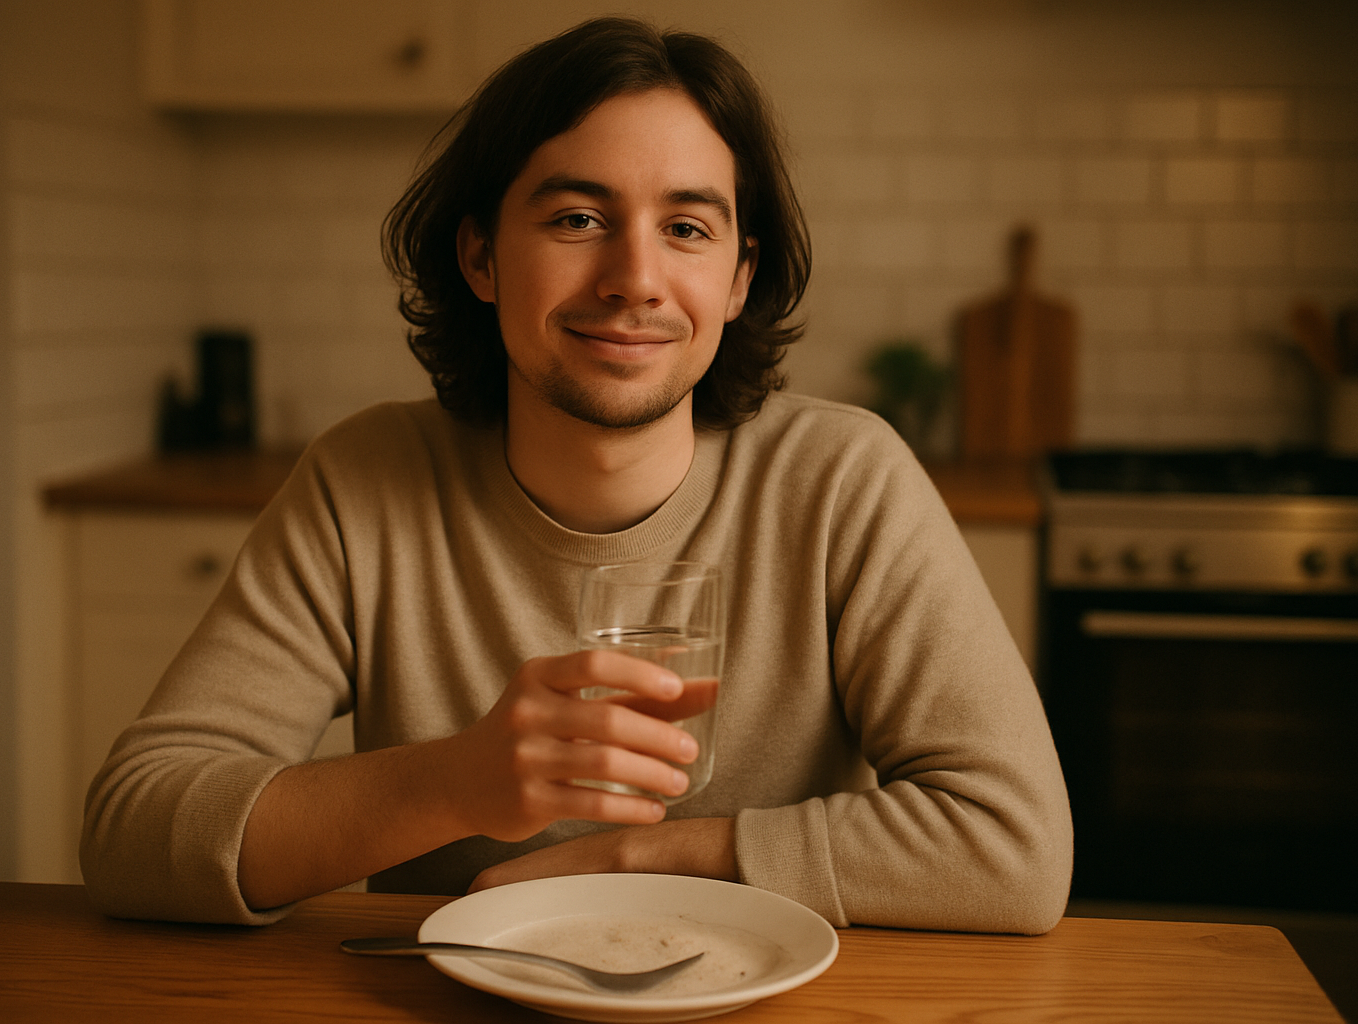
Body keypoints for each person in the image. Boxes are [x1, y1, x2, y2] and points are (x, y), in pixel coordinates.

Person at [81, 16, 1072, 934]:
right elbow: (133, 827)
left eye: (686, 227)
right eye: (575, 218)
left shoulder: (845, 482)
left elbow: (1016, 846)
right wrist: (458, 783)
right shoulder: (365, 482)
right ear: (480, 254)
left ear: (736, 278)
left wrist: (651, 854)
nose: (634, 277)